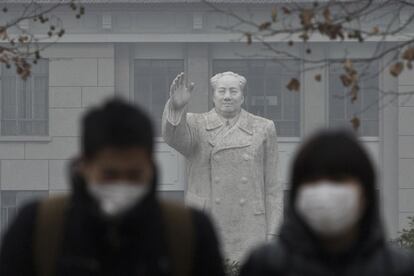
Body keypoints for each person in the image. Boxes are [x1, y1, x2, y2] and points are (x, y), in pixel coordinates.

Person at [0, 98, 225, 276]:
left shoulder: (188, 231)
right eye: (110, 174)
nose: (122, 183)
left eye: (134, 174)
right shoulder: (38, 226)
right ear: (85, 166)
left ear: (151, 166)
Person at [240, 130, 414, 276]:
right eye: (313, 180)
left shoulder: (399, 268)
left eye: (338, 180)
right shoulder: (264, 266)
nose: (324, 191)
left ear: (365, 193)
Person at [162, 71, 283, 261]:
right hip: (206, 221)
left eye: (233, 91)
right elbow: (173, 138)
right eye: (222, 91)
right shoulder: (195, 124)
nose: (227, 96)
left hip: (249, 223)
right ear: (213, 96)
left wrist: (273, 232)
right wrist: (176, 107)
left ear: (242, 96)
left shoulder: (263, 127)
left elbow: (273, 187)